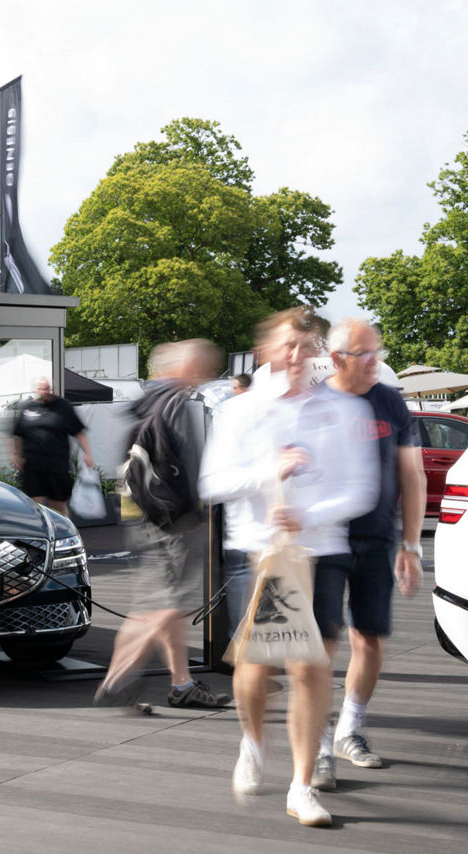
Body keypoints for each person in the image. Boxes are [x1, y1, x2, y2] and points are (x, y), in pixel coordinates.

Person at [199, 307, 379, 828]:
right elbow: (213, 483)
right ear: (267, 351)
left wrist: (309, 515)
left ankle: (302, 785)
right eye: (289, 346)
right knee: (256, 667)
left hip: (319, 552)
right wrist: (266, 475)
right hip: (259, 552)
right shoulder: (240, 411)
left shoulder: (345, 412)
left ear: (320, 351)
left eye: (308, 346)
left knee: (310, 665)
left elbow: (359, 488)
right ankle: (252, 743)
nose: (298, 356)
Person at [311, 319, 425, 790]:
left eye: (377, 350)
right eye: (365, 353)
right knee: (324, 643)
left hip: (377, 539)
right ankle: (316, 746)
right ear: (337, 358)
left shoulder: (391, 400)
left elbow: (413, 475)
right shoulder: (315, 403)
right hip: (325, 538)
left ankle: (348, 732)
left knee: (369, 639)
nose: (375, 360)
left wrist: (412, 546)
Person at [93, 340, 231, 710]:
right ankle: (117, 682)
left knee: (157, 604)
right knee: (166, 606)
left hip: (144, 515)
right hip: (172, 522)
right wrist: (195, 515)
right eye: (203, 365)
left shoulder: (151, 400)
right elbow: (183, 470)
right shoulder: (174, 404)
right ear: (185, 367)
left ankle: (181, 684)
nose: (207, 372)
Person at [10, 376, 95, 517]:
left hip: (57, 466)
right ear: (35, 390)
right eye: (42, 389)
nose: (45, 392)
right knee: (35, 505)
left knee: (58, 505)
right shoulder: (26, 408)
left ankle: (67, 532)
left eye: (48, 389)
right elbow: (18, 434)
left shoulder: (63, 407)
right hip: (33, 466)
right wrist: (16, 455)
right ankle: (40, 535)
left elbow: (80, 433)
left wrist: (88, 455)